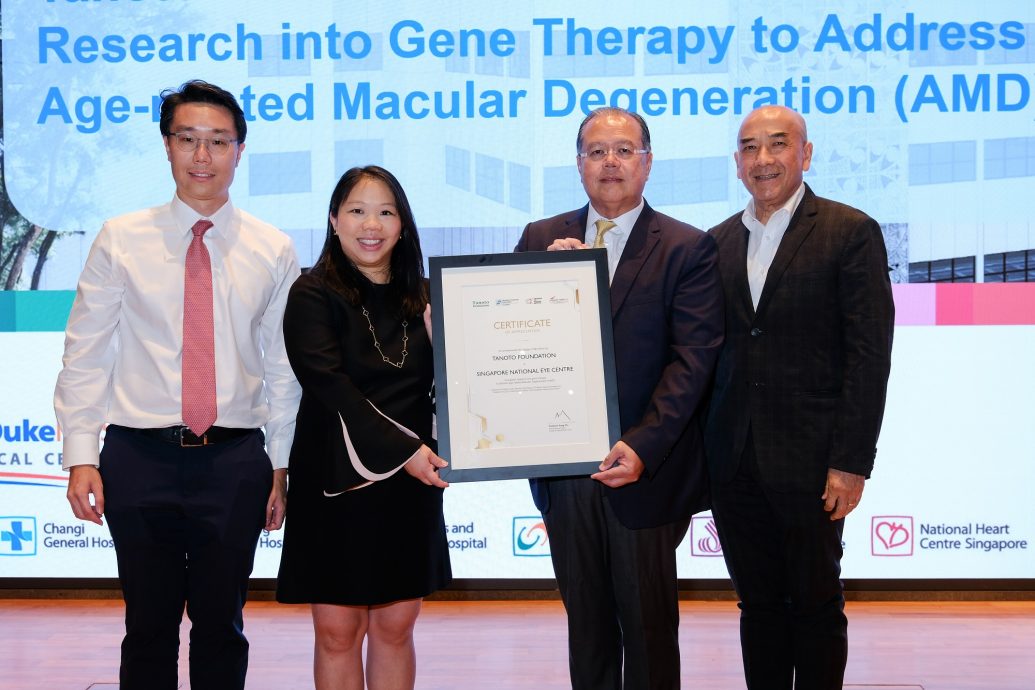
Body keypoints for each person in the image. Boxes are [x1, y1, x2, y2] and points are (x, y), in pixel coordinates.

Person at [53, 80, 301, 689]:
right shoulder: (121, 237)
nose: (202, 156)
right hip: (139, 457)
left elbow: (283, 367)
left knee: (223, 625)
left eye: (218, 141)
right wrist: (81, 456)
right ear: (166, 146)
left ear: (239, 151)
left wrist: (280, 464)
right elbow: (85, 351)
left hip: (236, 459)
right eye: (187, 139)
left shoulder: (272, 248)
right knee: (148, 626)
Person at [514, 107, 724, 689]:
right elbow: (513, 345)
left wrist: (643, 446)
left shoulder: (687, 247)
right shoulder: (539, 238)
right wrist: (543, 288)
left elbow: (693, 360)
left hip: (643, 473)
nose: (611, 162)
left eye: (625, 150)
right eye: (596, 151)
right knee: (588, 632)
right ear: (578, 164)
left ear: (648, 163)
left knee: (650, 635)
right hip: (563, 475)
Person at [704, 105, 895, 689]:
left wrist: (850, 462)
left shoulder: (848, 230)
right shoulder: (713, 244)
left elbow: (869, 357)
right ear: (737, 163)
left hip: (814, 466)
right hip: (734, 466)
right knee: (756, 607)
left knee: (814, 606)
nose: (764, 159)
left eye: (778, 145)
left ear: (805, 154)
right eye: (750, 148)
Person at [276, 165, 451, 690]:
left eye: (385, 211)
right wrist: (409, 453)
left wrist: (448, 341)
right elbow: (331, 388)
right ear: (334, 220)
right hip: (336, 480)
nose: (370, 224)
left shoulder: (426, 296)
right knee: (337, 630)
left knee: (397, 626)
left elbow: (457, 384)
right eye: (356, 210)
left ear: (402, 224)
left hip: (410, 483)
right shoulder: (311, 293)